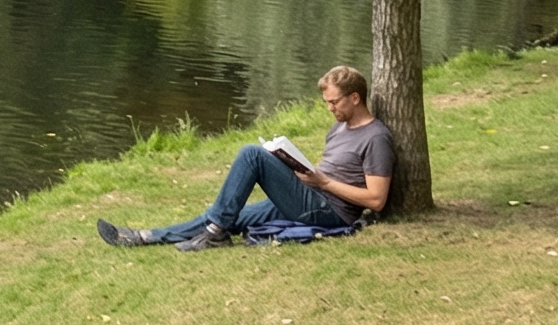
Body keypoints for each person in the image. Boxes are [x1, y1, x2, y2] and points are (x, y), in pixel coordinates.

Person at [98, 65, 396, 251]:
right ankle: (142, 237)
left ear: (355, 98)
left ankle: (214, 233)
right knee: (226, 214)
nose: (329, 109)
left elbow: (375, 200)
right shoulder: (340, 128)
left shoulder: (376, 138)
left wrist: (323, 181)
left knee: (251, 155)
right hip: (310, 195)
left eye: (334, 102)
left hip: (331, 212)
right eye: (326, 103)